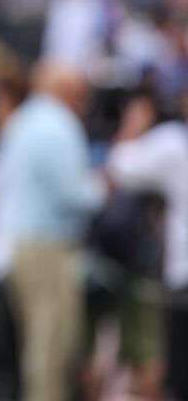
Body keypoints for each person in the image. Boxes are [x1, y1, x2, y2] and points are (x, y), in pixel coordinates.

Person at [0, 62, 107, 401]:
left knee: (37, 341)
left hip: (19, 243)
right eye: (80, 95)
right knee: (52, 345)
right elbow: (73, 194)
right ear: (66, 92)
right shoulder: (59, 124)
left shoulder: (22, 119)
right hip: (49, 246)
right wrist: (103, 188)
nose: (83, 103)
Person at [106, 90, 188, 401]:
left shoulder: (174, 143)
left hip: (183, 274)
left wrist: (134, 124)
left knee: (176, 369)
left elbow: (121, 164)